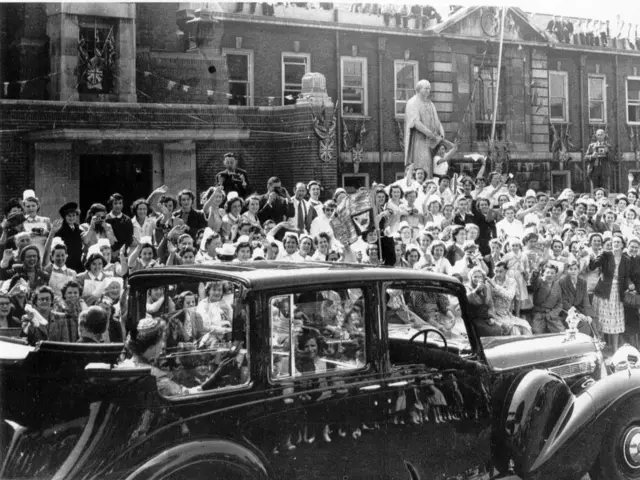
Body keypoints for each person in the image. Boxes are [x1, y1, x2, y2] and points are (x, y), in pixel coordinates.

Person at [589, 235, 636, 351]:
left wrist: (629, 284)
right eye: (613, 242)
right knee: (600, 320)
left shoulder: (626, 259)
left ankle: (615, 349)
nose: (615, 244)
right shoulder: (606, 255)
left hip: (617, 293)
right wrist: (592, 258)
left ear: (622, 245)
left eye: (618, 242)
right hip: (603, 292)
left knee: (616, 322)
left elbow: (626, 277)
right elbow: (593, 266)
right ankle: (599, 347)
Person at [404, 79, 451, 177]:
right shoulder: (412, 102)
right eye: (426, 88)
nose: (428, 91)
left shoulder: (430, 104)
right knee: (423, 163)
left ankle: (430, 183)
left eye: (429, 89)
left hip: (433, 141)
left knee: (433, 165)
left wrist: (441, 132)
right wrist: (429, 133)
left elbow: (437, 121)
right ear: (418, 89)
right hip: (420, 140)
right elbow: (415, 122)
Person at [486, 261, 532, 335]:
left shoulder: (511, 281)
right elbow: (489, 302)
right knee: (515, 330)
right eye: (496, 271)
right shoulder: (489, 283)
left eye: (501, 271)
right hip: (494, 315)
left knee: (525, 326)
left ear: (506, 271)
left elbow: (510, 297)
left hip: (507, 314)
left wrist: (517, 315)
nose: (498, 274)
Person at [531, 263, 564, 334]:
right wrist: (535, 272)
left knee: (561, 332)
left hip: (552, 315)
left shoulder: (557, 285)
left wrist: (553, 313)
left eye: (552, 273)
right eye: (547, 272)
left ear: (555, 275)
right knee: (537, 332)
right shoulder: (539, 282)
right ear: (543, 273)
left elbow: (559, 303)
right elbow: (534, 281)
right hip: (538, 315)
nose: (549, 275)